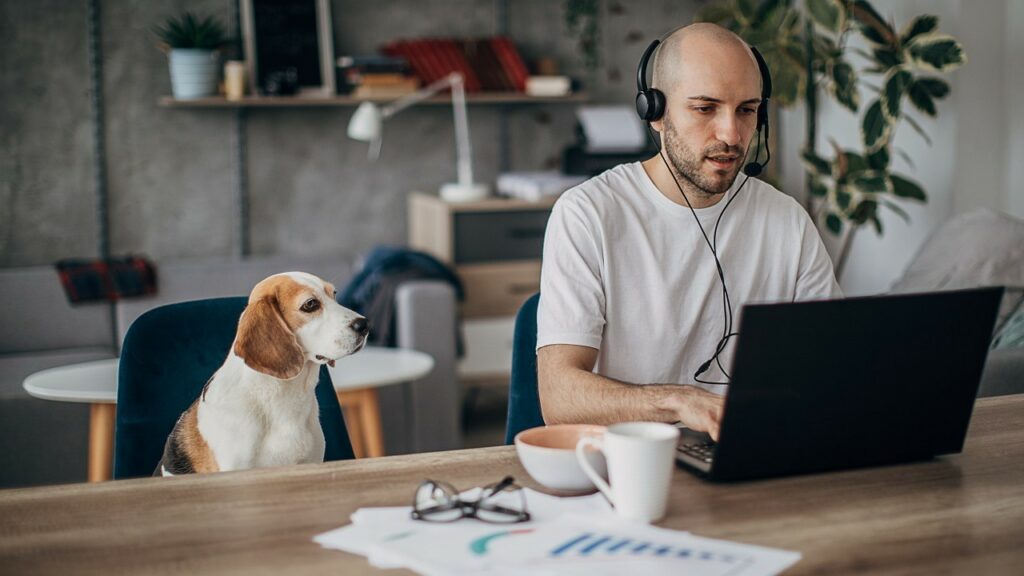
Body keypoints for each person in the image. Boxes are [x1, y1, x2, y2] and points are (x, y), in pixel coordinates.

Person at [536, 23, 841, 440]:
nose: (731, 135)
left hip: (752, 451)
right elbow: (559, 399)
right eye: (705, 108)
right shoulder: (588, 214)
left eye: (747, 110)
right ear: (655, 112)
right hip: (632, 466)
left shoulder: (786, 219)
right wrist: (680, 401)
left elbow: (831, 365)